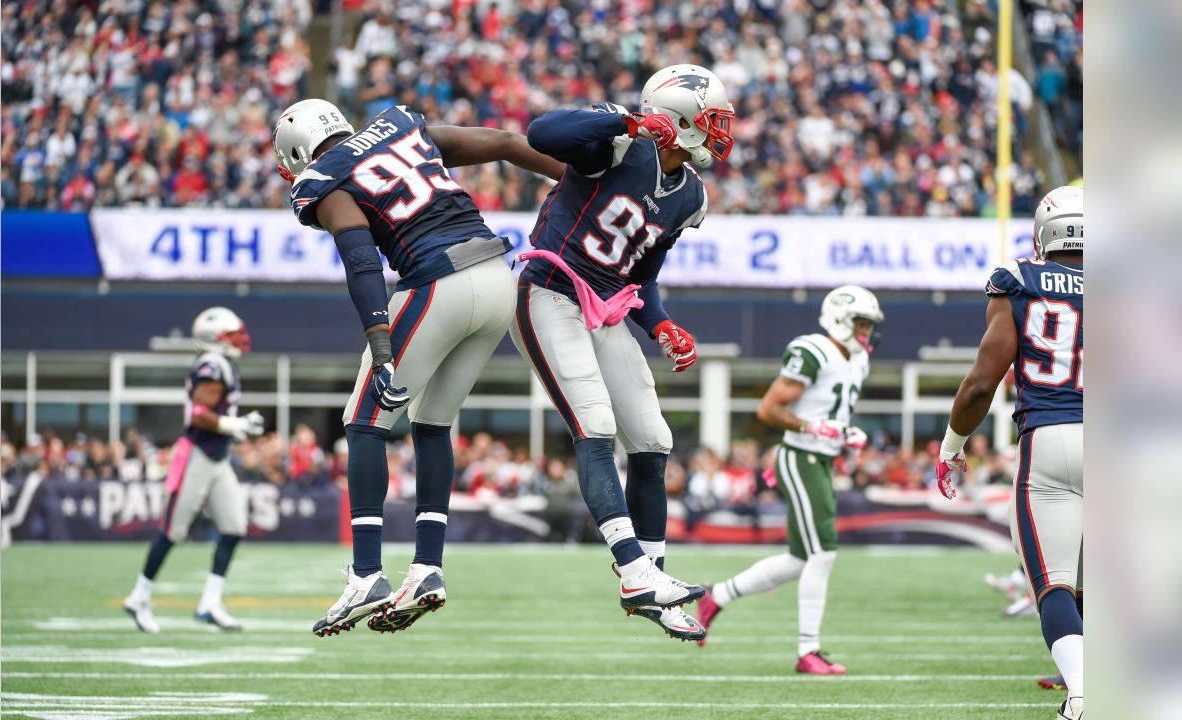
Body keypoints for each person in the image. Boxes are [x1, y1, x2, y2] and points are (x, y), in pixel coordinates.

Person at [273, 99, 564, 637]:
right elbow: (502, 142)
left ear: (296, 153)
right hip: (497, 277)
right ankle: (427, 567)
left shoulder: (324, 177)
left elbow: (361, 261)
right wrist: (575, 180)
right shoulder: (399, 126)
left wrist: (380, 345)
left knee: (364, 423)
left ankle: (366, 574)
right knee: (432, 423)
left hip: (438, 283)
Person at [513, 64, 736, 641]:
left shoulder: (691, 194)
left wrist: (661, 324)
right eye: (713, 122)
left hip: (606, 306)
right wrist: (628, 120)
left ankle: (654, 586)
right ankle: (633, 569)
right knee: (596, 425)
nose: (720, 133)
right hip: (550, 290)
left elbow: (644, 276)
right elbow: (542, 133)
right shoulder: (618, 147)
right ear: (683, 120)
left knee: (653, 438)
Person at [936, 186, 1084, 720]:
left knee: (1053, 583)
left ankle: (1086, 695)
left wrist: (953, 446)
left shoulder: (1021, 279)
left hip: (1049, 437)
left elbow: (981, 384)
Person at [697, 285, 885, 674]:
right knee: (824, 553)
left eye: (869, 325)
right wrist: (815, 428)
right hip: (801, 456)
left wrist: (843, 434)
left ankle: (716, 596)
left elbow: (830, 412)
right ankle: (807, 651)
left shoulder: (858, 360)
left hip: (817, 459)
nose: (866, 333)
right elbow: (769, 409)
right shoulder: (813, 350)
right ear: (839, 319)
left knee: (801, 558)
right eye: (861, 323)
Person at [122, 307, 266, 633]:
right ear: (214, 339)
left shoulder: (221, 364)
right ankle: (139, 596)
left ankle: (210, 604)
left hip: (217, 456)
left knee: (233, 526)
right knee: (172, 531)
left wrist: (233, 428)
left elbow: (212, 414)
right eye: (231, 336)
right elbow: (200, 414)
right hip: (197, 456)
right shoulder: (212, 365)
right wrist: (236, 423)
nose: (238, 341)